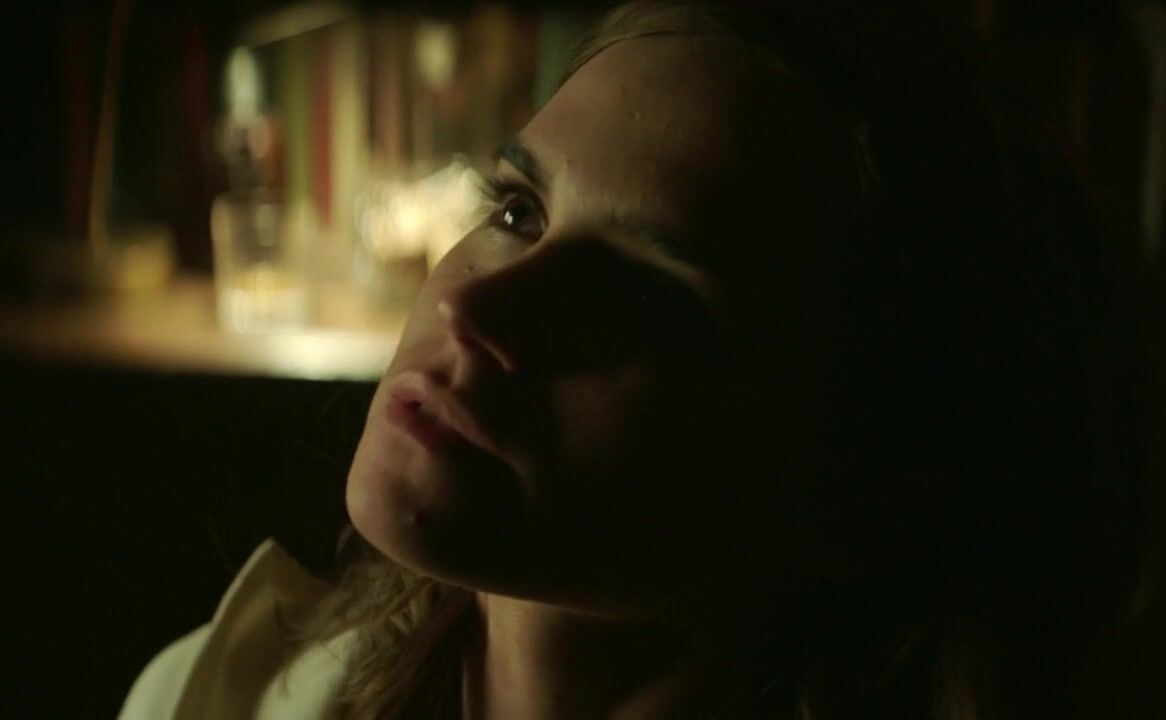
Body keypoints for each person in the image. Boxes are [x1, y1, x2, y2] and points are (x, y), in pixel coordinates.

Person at [120, 1, 1150, 718]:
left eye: (643, 297)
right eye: (517, 211)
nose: (472, 303)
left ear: (854, 462)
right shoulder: (207, 697)